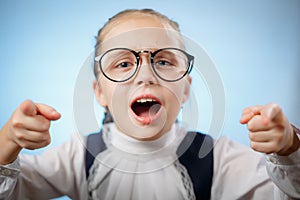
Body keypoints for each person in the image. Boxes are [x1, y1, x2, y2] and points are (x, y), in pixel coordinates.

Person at [0, 8, 299, 200]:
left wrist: (289, 149)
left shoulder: (217, 158)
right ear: (100, 93)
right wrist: (8, 143)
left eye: (164, 60)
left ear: (185, 90)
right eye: (123, 63)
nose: (145, 76)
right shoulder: (79, 156)